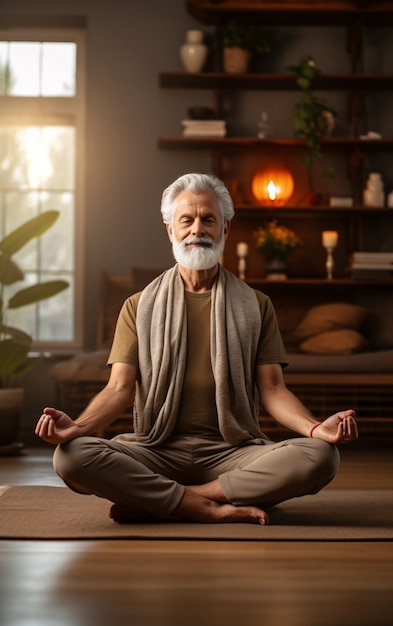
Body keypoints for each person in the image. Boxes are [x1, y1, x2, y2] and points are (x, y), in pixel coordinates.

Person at [35, 172, 358, 526]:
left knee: (321, 457)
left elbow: (273, 389)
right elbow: (119, 389)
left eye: (208, 219)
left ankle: (173, 500)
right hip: (154, 449)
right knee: (71, 457)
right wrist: (77, 428)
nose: (197, 229)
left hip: (233, 451)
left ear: (225, 229)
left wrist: (315, 429)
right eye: (186, 220)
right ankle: (209, 502)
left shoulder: (256, 304)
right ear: (171, 231)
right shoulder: (138, 306)